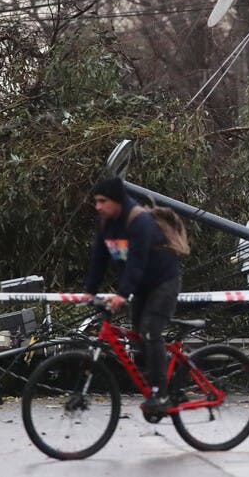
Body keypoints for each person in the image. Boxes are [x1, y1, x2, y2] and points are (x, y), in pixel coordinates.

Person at [84, 177, 182, 413]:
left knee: (150, 330)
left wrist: (122, 294)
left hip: (164, 283)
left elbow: (137, 263)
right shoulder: (107, 223)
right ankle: (169, 381)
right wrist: (89, 291)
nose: (97, 206)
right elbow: (99, 258)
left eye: (102, 201)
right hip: (142, 288)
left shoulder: (140, 221)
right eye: (96, 201)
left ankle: (160, 393)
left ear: (116, 201)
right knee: (139, 335)